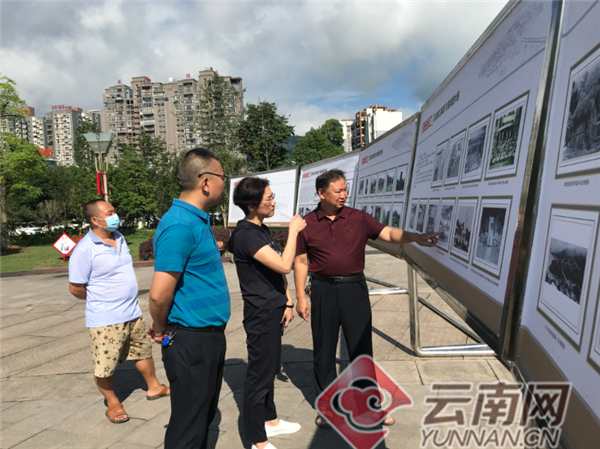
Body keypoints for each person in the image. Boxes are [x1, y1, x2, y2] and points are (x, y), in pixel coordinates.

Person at [293, 169, 441, 428]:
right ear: (321, 193)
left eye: (345, 189)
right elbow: (301, 261)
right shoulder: (307, 224)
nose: (344, 194)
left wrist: (415, 238)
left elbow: (389, 233)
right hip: (323, 290)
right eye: (338, 190)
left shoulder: (358, 218)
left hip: (354, 290)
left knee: (361, 350)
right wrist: (300, 298)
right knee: (324, 351)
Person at [147, 148, 231, 449]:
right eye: (222, 177)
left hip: (206, 338)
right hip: (191, 340)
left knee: (199, 420)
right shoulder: (180, 225)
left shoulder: (195, 220)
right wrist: (160, 326)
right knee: (188, 428)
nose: (225, 183)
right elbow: (159, 294)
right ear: (205, 182)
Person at [68, 200, 170, 424]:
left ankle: (154, 386)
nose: (115, 215)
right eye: (110, 213)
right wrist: (101, 298)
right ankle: (113, 403)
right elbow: (75, 288)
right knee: (105, 364)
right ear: (95, 220)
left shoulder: (119, 237)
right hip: (105, 318)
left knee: (142, 352)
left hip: (132, 312)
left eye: (114, 211)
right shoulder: (84, 249)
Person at [228, 177, 306, 449]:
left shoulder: (260, 229)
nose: (274, 202)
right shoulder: (247, 235)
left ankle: (270, 420)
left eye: (273, 197)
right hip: (260, 312)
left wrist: (287, 301)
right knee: (259, 375)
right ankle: (256, 439)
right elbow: (284, 265)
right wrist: (293, 231)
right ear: (251, 205)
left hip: (273, 308)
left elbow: (275, 272)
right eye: (269, 198)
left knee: (269, 368)